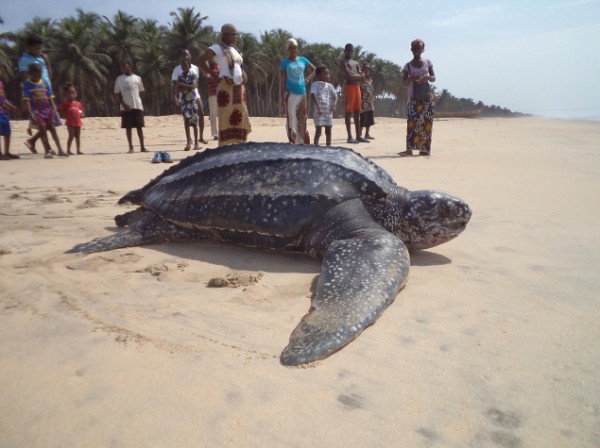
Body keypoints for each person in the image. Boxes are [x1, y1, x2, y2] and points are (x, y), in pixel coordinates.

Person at [198, 23, 251, 146]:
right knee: (226, 115)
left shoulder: (235, 50)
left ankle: (240, 143)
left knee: (241, 114)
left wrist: (244, 74)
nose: (235, 37)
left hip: (239, 88)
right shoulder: (217, 48)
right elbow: (201, 60)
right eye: (233, 35)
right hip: (225, 86)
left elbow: (239, 66)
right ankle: (225, 146)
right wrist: (213, 74)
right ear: (225, 35)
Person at [18, 34, 60, 153]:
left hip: (46, 91)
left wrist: (47, 61)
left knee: (50, 122)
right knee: (45, 123)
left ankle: (32, 141)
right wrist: (28, 95)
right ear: (29, 47)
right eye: (36, 48)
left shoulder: (41, 58)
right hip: (35, 94)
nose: (39, 50)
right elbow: (24, 78)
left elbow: (49, 74)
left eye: (40, 48)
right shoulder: (24, 59)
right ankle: (46, 148)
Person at [399, 39, 436, 157]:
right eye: (414, 49)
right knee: (412, 123)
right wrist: (411, 78)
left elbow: (434, 77)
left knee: (426, 123)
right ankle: (409, 149)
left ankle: (424, 150)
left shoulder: (428, 62)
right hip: (413, 98)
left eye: (418, 49)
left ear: (422, 50)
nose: (416, 51)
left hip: (426, 97)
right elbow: (404, 82)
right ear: (411, 50)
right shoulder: (407, 66)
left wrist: (426, 78)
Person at [22, 63, 66, 158]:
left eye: (40, 73)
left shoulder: (44, 82)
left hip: (48, 110)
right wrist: (30, 112)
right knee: (42, 128)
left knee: (52, 129)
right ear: (31, 73)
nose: (39, 75)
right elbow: (27, 100)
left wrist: (54, 109)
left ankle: (60, 150)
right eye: (37, 74)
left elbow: (50, 97)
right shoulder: (27, 84)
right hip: (37, 111)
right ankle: (47, 151)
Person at [280, 38, 315, 144]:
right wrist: (282, 96)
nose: (292, 50)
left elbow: (315, 70)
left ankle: (304, 142)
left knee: (302, 118)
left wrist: (308, 79)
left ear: (297, 49)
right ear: (287, 49)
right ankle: (293, 142)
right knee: (291, 118)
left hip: (302, 93)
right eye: (290, 48)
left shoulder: (303, 60)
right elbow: (283, 80)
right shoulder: (284, 63)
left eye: (294, 47)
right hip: (290, 94)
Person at [171, 49, 208, 146]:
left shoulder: (195, 68)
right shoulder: (177, 69)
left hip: (194, 93)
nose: (185, 57)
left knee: (201, 112)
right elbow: (175, 85)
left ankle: (200, 137)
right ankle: (189, 139)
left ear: (190, 56)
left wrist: (184, 85)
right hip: (183, 95)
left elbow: (195, 84)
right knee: (186, 117)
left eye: (187, 55)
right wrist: (175, 96)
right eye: (183, 55)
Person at [114, 59, 148, 153]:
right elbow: (117, 94)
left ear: (130, 66)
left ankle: (142, 147)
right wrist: (124, 104)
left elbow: (141, 91)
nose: (123, 68)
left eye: (125, 66)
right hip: (125, 108)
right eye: (122, 67)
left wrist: (138, 100)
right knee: (128, 128)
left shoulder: (137, 78)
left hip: (137, 106)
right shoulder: (119, 79)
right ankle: (131, 147)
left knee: (139, 127)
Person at [339, 43, 367, 144]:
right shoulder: (343, 62)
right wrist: (359, 76)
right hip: (349, 87)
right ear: (345, 50)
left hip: (357, 87)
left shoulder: (355, 63)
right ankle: (349, 136)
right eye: (348, 50)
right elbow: (349, 75)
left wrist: (357, 76)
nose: (350, 52)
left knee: (357, 112)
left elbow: (361, 74)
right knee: (348, 112)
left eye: (351, 50)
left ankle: (358, 136)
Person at [309, 65, 337, 146]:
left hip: (328, 112)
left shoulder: (330, 86)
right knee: (318, 131)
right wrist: (318, 107)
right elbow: (313, 95)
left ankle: (328, 148)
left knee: (328, 131)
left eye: (328, 74)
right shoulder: (315, 84)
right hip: (319, 112)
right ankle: (316, 147)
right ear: (318, 75)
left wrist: (334, 105)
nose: (328, 75)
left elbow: (335, 96)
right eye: (325, 74)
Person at [176, 58, 200, 150]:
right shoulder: (180, 77)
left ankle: (196, 142)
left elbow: (194, 86)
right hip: (185, 102)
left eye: (186, 65)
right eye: (183, 66)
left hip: (192, 101)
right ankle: (188, 142)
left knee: (194, 122)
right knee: (186, 121)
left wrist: (183, 86)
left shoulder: (193, 75)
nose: (184, 67)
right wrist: (184, 88)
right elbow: (178, 88)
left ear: (189, 66)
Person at [57, 83, 84, 155]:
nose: (71, 95)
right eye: (69, 93)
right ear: (66, 94)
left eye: (73, 93)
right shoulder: (65, 103)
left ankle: (78, 150)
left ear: (76, 94)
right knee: (71, 135)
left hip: (78, 121)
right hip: (70, 122)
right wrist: (63, 115)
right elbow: (59, 109)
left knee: (77, 136)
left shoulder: (78, 103)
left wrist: (82, 113)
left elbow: (80, 110)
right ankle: (68, 150)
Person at [0, 79, 20, 159]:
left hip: (4, 112)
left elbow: (3, 98)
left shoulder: (1, 83)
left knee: (7, 133)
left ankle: (6, 152)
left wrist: (12, 107)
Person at [204, 58, 220, 140]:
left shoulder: (220, 67)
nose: (212, 59)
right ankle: (215, 134)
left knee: (222, 114)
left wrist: (214, 79)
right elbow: (207, 80)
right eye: (211, 58)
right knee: (213, 115)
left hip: (222, 94)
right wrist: (218, 79)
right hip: (213, 94)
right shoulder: (207, 69)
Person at [359, 64, 375, 140]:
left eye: (368, 70)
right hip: (362, 103)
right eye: (365, 70)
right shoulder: (360, 80)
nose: (367, 71)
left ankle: (367, 134)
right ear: (362, 71)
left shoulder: (370, 81)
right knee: (362, 118)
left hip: (370, 102)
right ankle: (359, 134)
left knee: (369, 119)